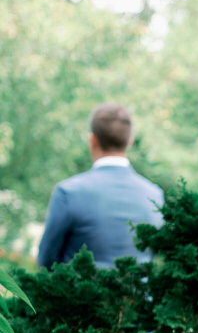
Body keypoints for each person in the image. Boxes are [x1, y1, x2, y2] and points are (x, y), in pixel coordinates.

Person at [37, 103, 164, 270]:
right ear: (130, 142)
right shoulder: (154, 195)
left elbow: (46, 260)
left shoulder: (68, 192)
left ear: (92, 140)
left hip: (81, 294)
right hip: (139, 295)